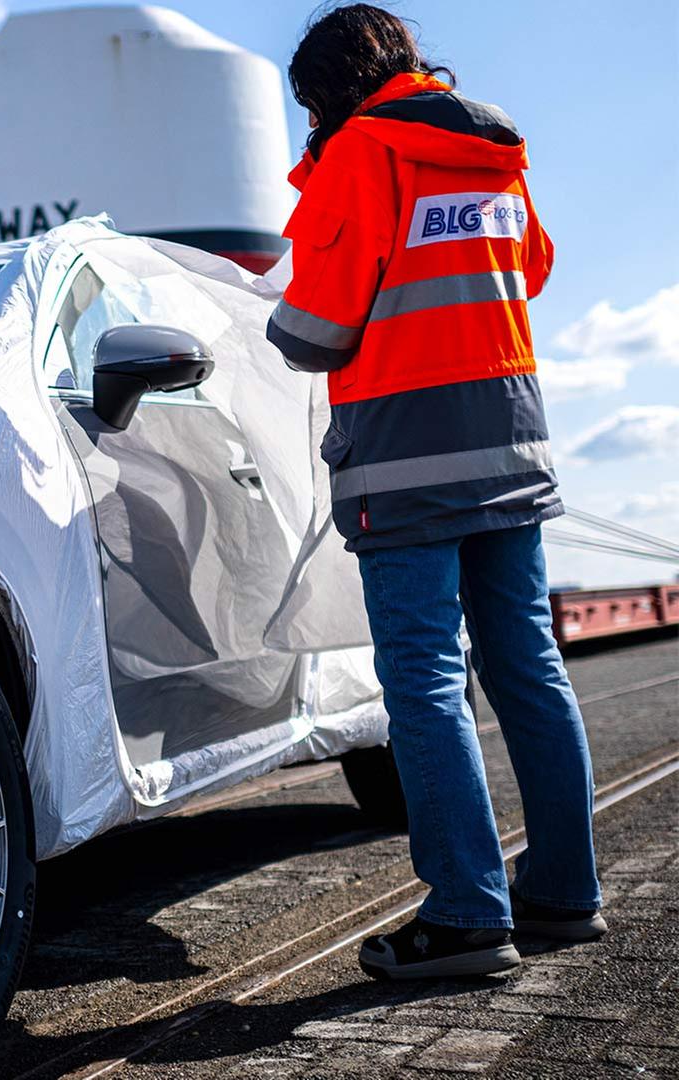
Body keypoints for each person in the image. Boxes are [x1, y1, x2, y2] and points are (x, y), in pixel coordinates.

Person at [266, 4, 603, 981]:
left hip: (408, 457)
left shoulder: (363, 154)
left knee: (422, 680)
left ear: (331, 90)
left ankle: (465, 916)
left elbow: (319, 328)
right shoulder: (491, 144)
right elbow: (531, 269)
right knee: (528, 666)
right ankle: (564, 894)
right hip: (509, 443)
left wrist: (282, 323)